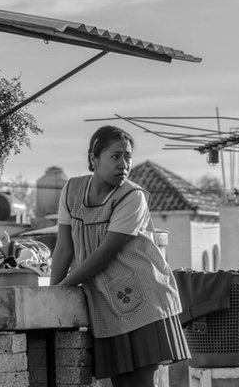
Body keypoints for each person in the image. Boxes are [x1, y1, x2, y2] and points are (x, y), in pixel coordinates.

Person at [49, 125, 190, 387]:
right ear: (94, 158)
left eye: (128, 157)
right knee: (120, 382)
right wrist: (51, 294)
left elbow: (105, 254)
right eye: (115, 156)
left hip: (144, 300)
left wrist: (63, 287)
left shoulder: (132, 196)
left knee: (139, 381)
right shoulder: (71, 191)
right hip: (106, 304)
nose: (123, 164)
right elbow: (64, 248)